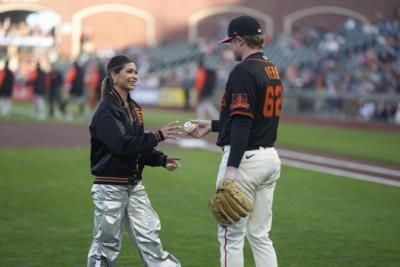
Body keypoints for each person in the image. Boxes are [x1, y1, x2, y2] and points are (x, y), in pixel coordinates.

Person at [189, 16, 283, 267]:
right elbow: (255, 118)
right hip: (269, 158)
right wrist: (212, 126)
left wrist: (231, 170)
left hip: (246, 161)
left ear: (241, 39)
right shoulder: (271, 68)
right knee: (260, 235)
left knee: (230, 237)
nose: (230, 47)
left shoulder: (243, 70)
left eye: (232, 41)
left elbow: (242, 122)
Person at [87, 55, 182, 267]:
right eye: (129, 71)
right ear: (114, 75)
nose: (134, 76)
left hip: (133, 185)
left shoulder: (135, 107)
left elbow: (138, 146)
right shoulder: (106, 110)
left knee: (150, 236)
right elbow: (122, 145)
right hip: (110, 185)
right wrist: (158, 136)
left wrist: (162, 159)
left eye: (136, 72)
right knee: (106, 243)